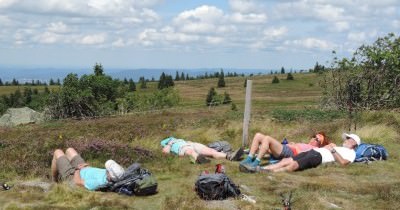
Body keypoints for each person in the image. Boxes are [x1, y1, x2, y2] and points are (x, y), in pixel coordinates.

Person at [255, 133, 361, 173]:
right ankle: (262, 169)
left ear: (354, 143)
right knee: (286, 160)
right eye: (346, 138)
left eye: (348, 139)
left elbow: (343, 163)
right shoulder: (341, 147)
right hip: (313, 151)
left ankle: (273, 172)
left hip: (319, 157)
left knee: (294, 165)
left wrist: (332, 150)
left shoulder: (352, 153)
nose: (346, 140)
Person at [240, 132, 331, 172]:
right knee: (258, 135)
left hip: (290, 152)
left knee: (267, 138)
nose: (314, 139)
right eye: (314, 136)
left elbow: (302, 155)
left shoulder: (314, 149)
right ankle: (249, 158)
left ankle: (256, 162)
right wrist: (293, 144)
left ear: (319, 144)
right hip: (285, 149)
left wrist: (294, 146)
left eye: (317, 139)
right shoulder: (306, 144)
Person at [51, 147, 124, 191]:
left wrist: (77, 169)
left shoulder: (98, 183)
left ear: (110, 176)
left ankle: (54, 181)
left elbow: (77, 182)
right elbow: (97, 173)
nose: (107, 169)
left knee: (57, 152)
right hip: (84, 168)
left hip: (73, 176)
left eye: (108, 170)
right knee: (69, 150)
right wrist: (87, 167)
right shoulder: (113, 176)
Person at [161, 137, 244, 164]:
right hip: (182, 149)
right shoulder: (166, 143)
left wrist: (188, 142)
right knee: (190, 151)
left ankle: (229, 156)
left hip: (191, 144)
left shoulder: (178, 139)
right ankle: (199, 159)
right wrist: (169, 144)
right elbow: (165, 152)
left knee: (211, 151)